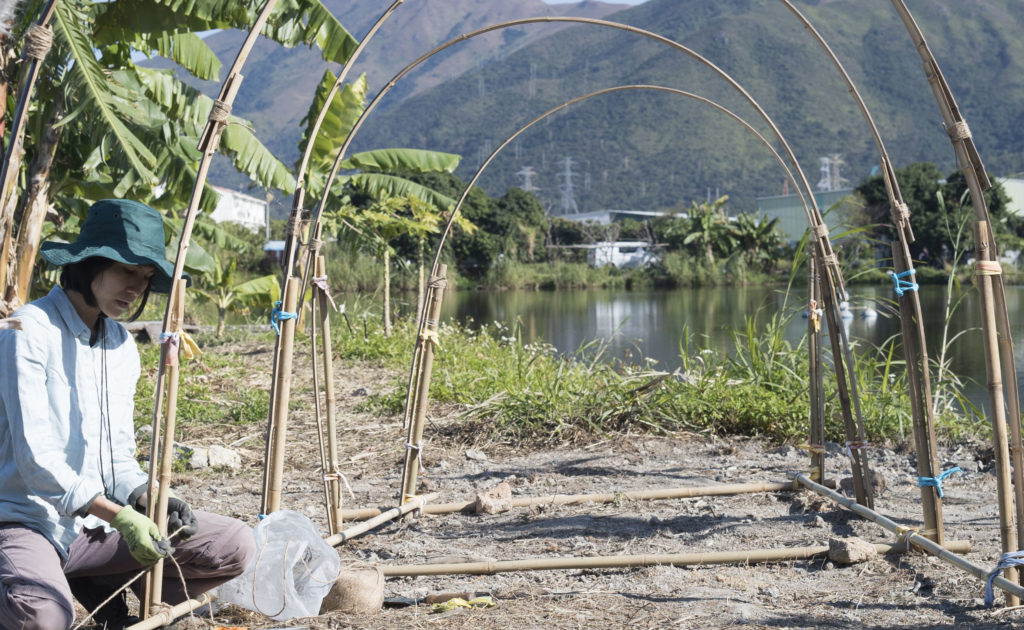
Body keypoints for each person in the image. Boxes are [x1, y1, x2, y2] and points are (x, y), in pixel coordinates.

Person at [0, 199, 256, 629]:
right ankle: (33, 578)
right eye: (126, 271)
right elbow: (36, 460)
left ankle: (97, 579)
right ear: (90, 263)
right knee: (41, 618)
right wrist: (119, 516)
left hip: (95, 526)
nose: (136, 288)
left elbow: (116, 457)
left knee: (234, 544)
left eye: (145, 277)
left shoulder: (119, 345)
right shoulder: (27, 332)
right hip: (29, 519)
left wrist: (148, 496)